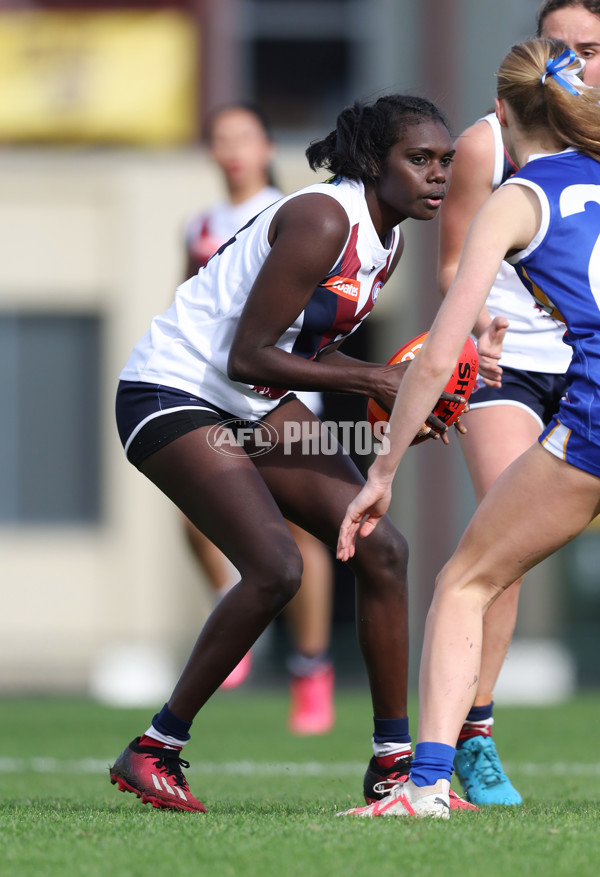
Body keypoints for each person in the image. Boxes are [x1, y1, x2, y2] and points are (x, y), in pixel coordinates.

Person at [109, 94, 468, 813]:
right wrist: (377, 379)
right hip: (171, 392)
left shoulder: (387, 243)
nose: (437, 176)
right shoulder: (323, 217)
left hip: (252, 402)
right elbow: (248, 355)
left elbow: (298, 356)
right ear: (373, 162)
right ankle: (153, 749)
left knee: (382, 549)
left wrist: (391, 411)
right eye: (419, 159)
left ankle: (394, 766)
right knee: (277, 566)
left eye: (445, 162)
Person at [338, 38, 600, 819]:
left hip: (591, 423)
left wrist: (382, 471)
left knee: (464, 582)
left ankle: (423, 789)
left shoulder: (518, 198)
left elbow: (435, 357)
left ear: (502, 114)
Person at [435, 0, 600, 807]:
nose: (573, 64)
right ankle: (472, 737)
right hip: (511, 369)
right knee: (499, 548)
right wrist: (479, 331)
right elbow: (451, 268)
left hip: (590, 369)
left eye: (590, 49)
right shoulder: (487, 142)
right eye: (560, 47)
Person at [182, 101, 335, 736]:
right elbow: (187, 302)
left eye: (244, 136)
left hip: (280, 388)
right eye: (221, 138)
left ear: (266, 144)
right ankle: (236, 609)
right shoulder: (198, 223)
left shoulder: (289, 211)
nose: (233, 148)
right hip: (214, 388)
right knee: (195, 515)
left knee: (304, 535)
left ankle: (311, 670)